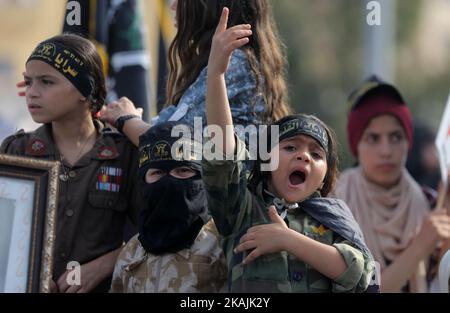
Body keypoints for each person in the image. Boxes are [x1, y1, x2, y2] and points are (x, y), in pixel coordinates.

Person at [201, 7, 378, 293]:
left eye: (316, 155)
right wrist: (216, 74)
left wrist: (288, 240)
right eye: (291, 146)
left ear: (324, 177)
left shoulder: (333, 219)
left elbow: (358, 274)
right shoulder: (243, 210)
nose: (304, 156)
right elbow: (223, 153)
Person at [0, 34, 142, 293]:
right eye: (29, 81)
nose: (32, 92)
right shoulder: (16, 151)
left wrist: (105, 264)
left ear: (84, 89)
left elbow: (155, 232)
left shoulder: (123, 153)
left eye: (46, 82)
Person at [99, 0, 290, 147]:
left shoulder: (234, 63)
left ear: (207, 7)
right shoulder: (238, 61)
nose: (173, 6)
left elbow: (169, 140)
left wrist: (126, 119)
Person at [333, 75, 450, 292]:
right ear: (356, 145)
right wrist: (419, 247)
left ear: (408, 142)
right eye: (373, 138)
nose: (386, 151)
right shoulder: (333, 207)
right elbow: (363, 288)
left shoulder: (431, 204)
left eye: (396, 137)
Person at [111, 121, 227, 292]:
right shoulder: (131, 252)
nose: (169, 181)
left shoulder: (224, 242)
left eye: (182, 171)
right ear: (144, 181)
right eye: (157, 173)